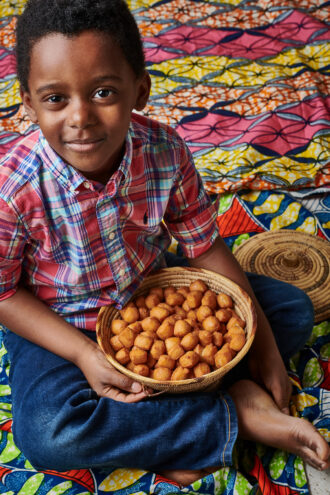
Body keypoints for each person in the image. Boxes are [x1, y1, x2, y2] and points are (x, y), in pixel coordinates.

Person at [0, 0, 328, 486]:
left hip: (151, 290)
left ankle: (162, 421)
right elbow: (4, 294)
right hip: (58, 322)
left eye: (104, 92)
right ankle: (231, 416)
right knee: (49, 430)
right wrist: (85, 356)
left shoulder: (164, 150)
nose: (81, 117)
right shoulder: (12, 189)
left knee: (290, 309)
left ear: (141, 90)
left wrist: (260, 343)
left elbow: (204, 246)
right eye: (55, 99)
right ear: (27, 102)